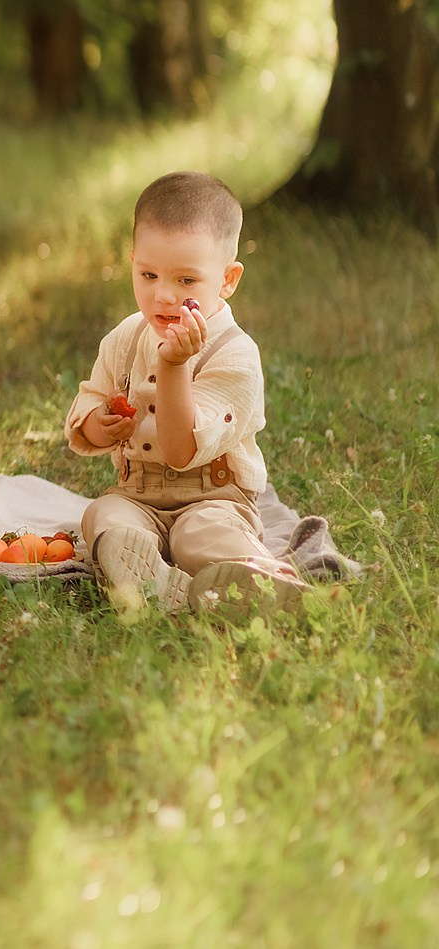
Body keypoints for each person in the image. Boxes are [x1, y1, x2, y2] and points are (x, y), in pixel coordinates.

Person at [66, 171, 305, 620]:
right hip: (138, 495)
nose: (163, 295)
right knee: (105, 516)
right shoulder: (123, 340)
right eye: (149, 274)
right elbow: (86, 413)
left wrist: (173, 367)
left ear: (228, 279)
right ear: (132, 260)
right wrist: (101, 423)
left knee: (198, 535)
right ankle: (154, 580)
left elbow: (181, 450)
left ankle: (258, 581)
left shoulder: (234, 354)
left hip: (214, 497)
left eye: (187, 281)